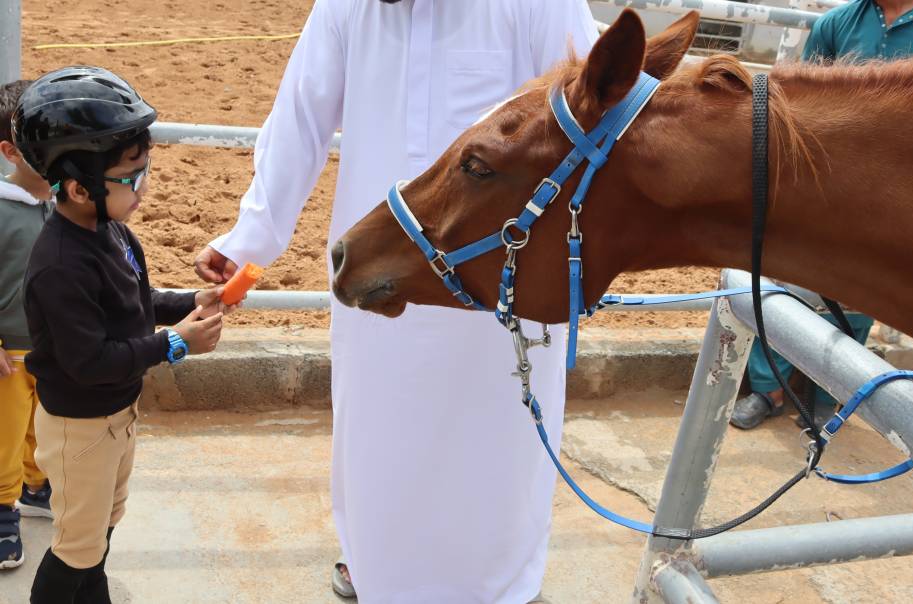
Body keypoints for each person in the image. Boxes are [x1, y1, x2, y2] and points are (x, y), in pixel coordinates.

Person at [193, 1, 597, 601]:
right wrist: (249, 240)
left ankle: (496, 585)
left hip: (503, 273)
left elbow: (593, 111)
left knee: (498, 439)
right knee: (378, 431)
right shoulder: (348, 8)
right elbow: (301, 118)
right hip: (377, 269)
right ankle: (374, 565)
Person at [13, 66, 235, 603]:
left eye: (145, 169)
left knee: (103, 526)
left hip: (117, 414)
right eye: (132, 176)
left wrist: (192, 301)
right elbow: (89, 361)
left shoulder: (111, 231)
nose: (145, 186)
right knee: (75, 547)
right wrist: (176, 343)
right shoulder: (59, 265)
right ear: (78, 188)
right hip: (81, 427)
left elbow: (136, 299)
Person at [730, 0, 913, 430]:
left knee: (864, 293)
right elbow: (803, 102)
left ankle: (832, 392)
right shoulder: (836, 23)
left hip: (903, 194)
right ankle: (769, 388)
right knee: (791, 279)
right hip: (831, 184)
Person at [0, 78, 53, 571]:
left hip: (50, 346)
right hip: (8, 352)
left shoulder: (62, 206)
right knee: (5, 435)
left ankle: (37, 486)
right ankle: (2, 511)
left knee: (42, 425)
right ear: (10, 152)